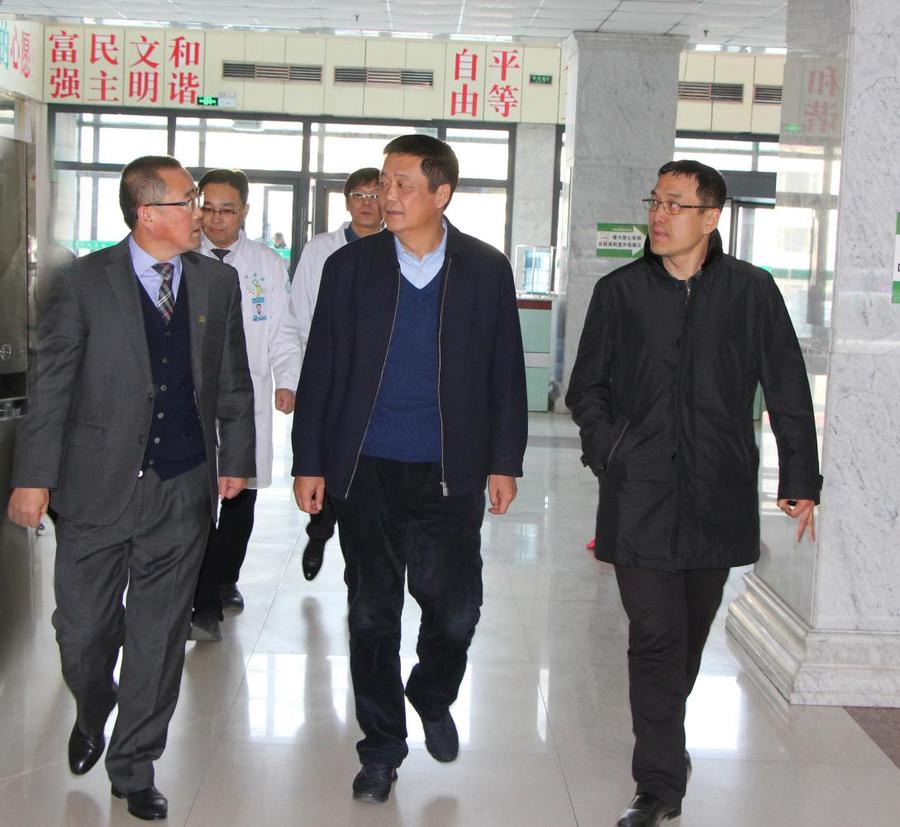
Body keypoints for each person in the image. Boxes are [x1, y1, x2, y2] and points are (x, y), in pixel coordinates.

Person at [566, 160, 822, 827]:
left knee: (687, 637)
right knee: (654, 635)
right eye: (655, 201)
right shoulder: (620, 292)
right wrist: (609, 449)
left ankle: (664, 736)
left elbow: (787, 384)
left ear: (711, 216)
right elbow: (587, 386)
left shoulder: (752, 292)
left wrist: (800, 476)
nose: (659, 215)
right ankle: (658, 784)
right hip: (640, 494)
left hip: (717, 492)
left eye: (675, 204)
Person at [7, 155, 255, 822]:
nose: (200, 213)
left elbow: (232, 379)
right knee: (81, 629)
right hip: (95, 486)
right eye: (187, 201)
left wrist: (236, 457)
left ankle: (134, 765)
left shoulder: (216, 284)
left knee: (159, 634)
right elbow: (51, 388)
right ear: (148, 214)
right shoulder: (83, 284)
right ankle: (94, 702)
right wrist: (32, 476)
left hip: (182, 487)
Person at [291, 135, 527, 804]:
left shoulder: (484, 268)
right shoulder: (350, 267)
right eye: (383, 182)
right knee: (371, 614)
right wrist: (310, 460)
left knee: (456, 610)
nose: (385, 196)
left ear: (441, 194)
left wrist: (504, 461)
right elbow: (321, 368)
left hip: (450, 469)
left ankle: (431, 691)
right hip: (365, 467)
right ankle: (381, 748)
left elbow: (505, 371)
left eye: (402, 185)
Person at [187, 168, 302, 641]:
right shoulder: (181, 254)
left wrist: (287, 380)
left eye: (227, 210)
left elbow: (282, 330)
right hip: (191, 395)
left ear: (245, 212)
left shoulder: (265, 264)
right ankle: (198, 586)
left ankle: (223, 579)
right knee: (195, 496)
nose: (216, 219)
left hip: (246, 391)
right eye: (208, 208)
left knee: (240, 494)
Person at [291, 166, 383, 581]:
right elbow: (301, 312)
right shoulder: (321, 250)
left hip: (372, 380)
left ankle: (353, 559)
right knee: (324, 458)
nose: (367, 203)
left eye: (374, 195)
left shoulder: (396, 248)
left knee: (359, 467)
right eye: (359, 195)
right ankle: (319, 532)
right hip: (329, 374)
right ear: (347, 202)